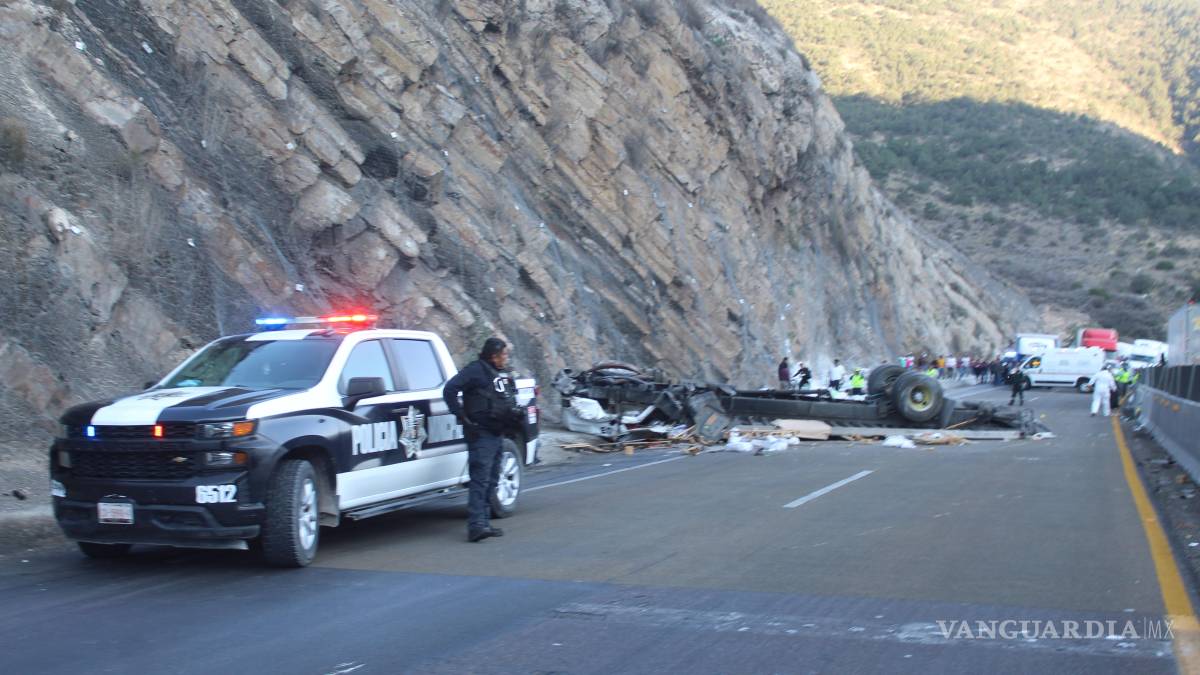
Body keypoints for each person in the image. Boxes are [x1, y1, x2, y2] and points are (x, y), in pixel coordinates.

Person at [443, 337, 524, 542]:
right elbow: (450, 389)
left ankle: (484, 522)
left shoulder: (496, 373)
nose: (506, 358)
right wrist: (462, 417)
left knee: (492, 479)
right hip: (481, 434)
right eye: (503, 355)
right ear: (493, 355)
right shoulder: (475, 370)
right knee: (480, 480)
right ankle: (476, 526)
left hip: (496, 432)